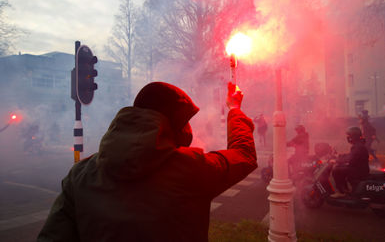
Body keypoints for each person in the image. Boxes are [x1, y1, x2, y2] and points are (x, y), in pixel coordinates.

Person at [37, 82, 257, 242]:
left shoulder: (79, 175)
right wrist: (235, 109)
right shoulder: (191, 168)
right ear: (174, 126)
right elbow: (243, 155)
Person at [330, 127, 370, 198]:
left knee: (336, 170)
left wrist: (336, 160)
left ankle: (342, 192)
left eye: (349, 136)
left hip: (358, 171)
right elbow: (351, 155)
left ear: (354, 136)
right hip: (359, 169)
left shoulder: (358, 146)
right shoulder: (359, 145)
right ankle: (346, 190)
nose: (348, 137)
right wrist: (339, 156)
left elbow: (351, 159)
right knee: (341, 168)